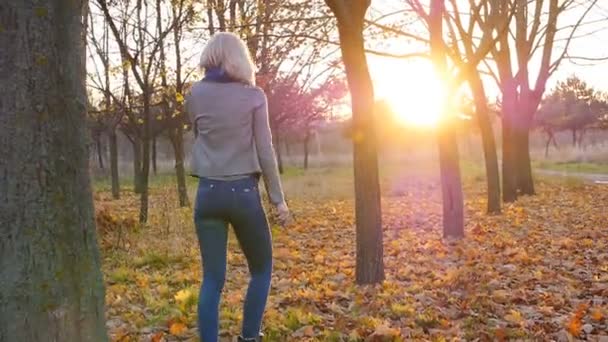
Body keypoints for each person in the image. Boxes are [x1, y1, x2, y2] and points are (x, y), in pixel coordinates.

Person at [186, 32, 290, 342]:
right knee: (261, 269)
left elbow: (199, 133)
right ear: (238, 59)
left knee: (212, 280)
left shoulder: (194, 94)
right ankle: (248, 338)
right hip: (244, 193)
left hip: (207, 195)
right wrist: (278, 200)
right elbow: (265, 150)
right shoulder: (254, 96)